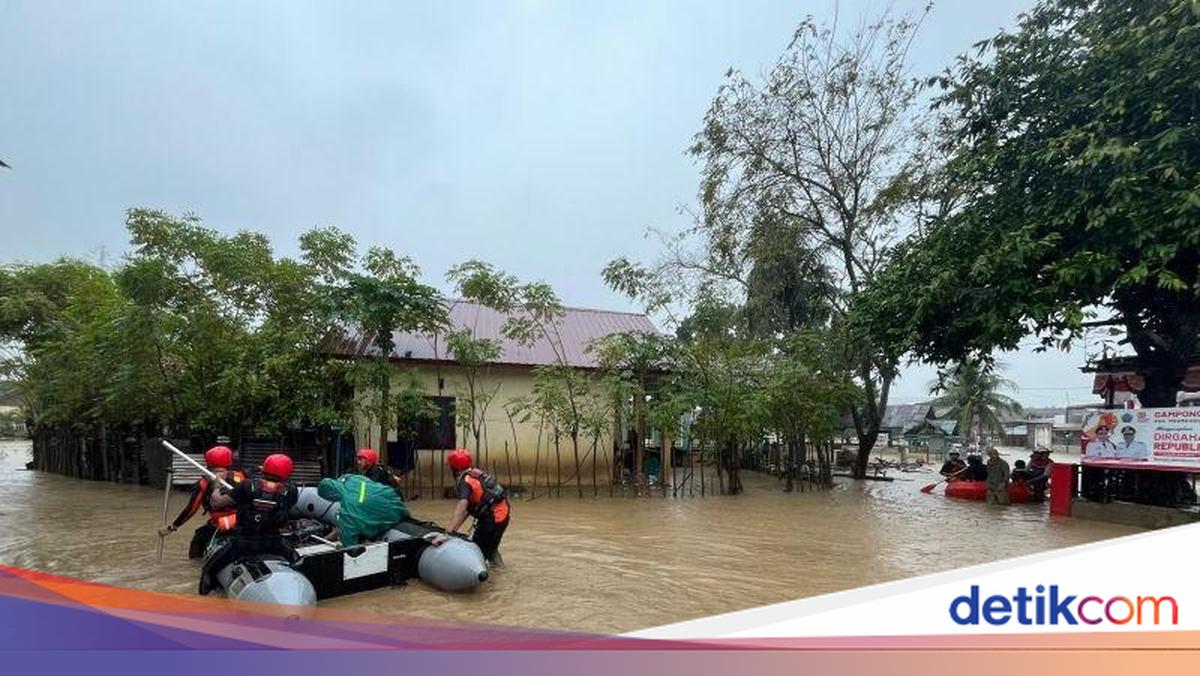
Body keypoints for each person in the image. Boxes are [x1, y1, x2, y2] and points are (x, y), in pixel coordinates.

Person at [199, 453, 298, 595]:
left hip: (244, 543)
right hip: (275, 543)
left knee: (210, 568)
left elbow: (216, 503)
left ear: (264, 469)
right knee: (297, 560)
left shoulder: (247, 485)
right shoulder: (292, 491)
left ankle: (207, 593)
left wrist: (216, 483)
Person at [157, 445, 246, 558]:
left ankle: (195, 562)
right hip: (241, 523)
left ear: (208, 463)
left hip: (218, 525)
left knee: (198, 540)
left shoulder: (204, 483)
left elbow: (192, 509)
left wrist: (173, 527)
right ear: (229, 462)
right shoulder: (241, 476)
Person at [445, 449, 510, 564]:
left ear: (455, 468)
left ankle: (489, 578)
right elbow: (467, 510)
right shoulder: (475, 474)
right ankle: (500, 572)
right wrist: (453, 530)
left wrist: (449, 532)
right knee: (490, 549)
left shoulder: (464, 482)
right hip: (502, 514)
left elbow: (462, 506)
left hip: (494, 518)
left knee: (479, 551)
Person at [316, 473, 409, 546]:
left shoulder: (348, 508)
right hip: (396, 504)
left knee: (362, 526)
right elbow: (349, 476)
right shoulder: (354, 479)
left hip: (388, 520)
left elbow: (350, 543)